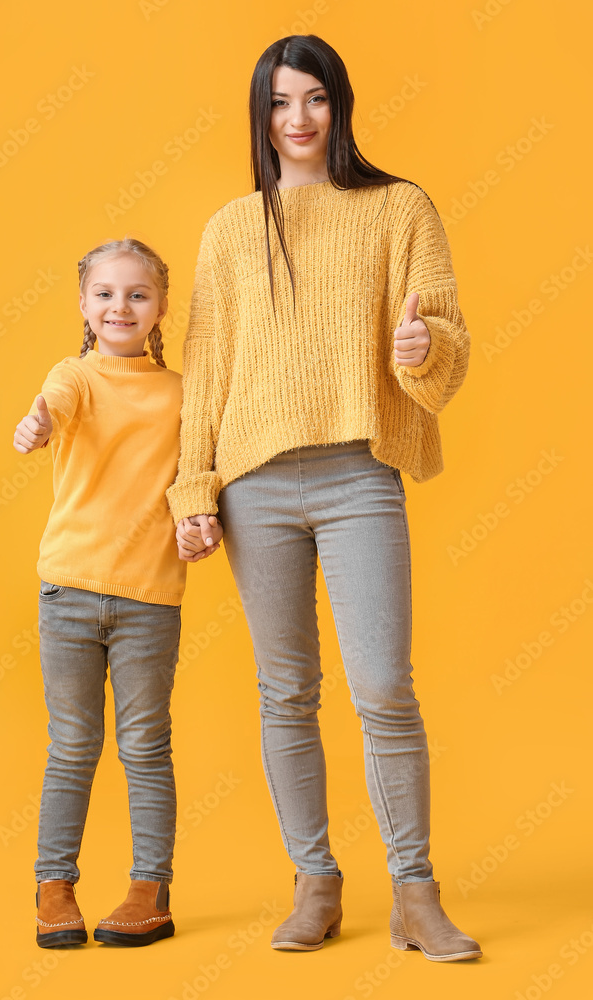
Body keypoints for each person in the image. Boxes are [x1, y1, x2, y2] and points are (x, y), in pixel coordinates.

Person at [167, 35, 482, 962]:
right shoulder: (231, 229)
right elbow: (207, 372)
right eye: (278, 103)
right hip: (252, 486)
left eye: (313, 100)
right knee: (285, 692)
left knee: (383, 687)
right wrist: (193, 488)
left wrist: (427, 356)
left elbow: (446, 336)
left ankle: (414, 893)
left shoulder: (398, 208)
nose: (296, 120)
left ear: (340, 105)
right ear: (260, 116)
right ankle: (315, 880)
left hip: (356, 473)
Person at [13, 237, 223, 949]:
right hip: (68, 592)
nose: (120, 306)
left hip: (149, 601)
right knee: (71, 745)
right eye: (104, 293)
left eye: (137, 294)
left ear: (161, 307)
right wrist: (38, 420)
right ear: (84, 305)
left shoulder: (181, 393)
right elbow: (58, 402)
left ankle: (148, 889)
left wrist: (200, 525)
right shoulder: (71, 377)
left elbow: (195, 478)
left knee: (144, 745)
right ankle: (53, 888)